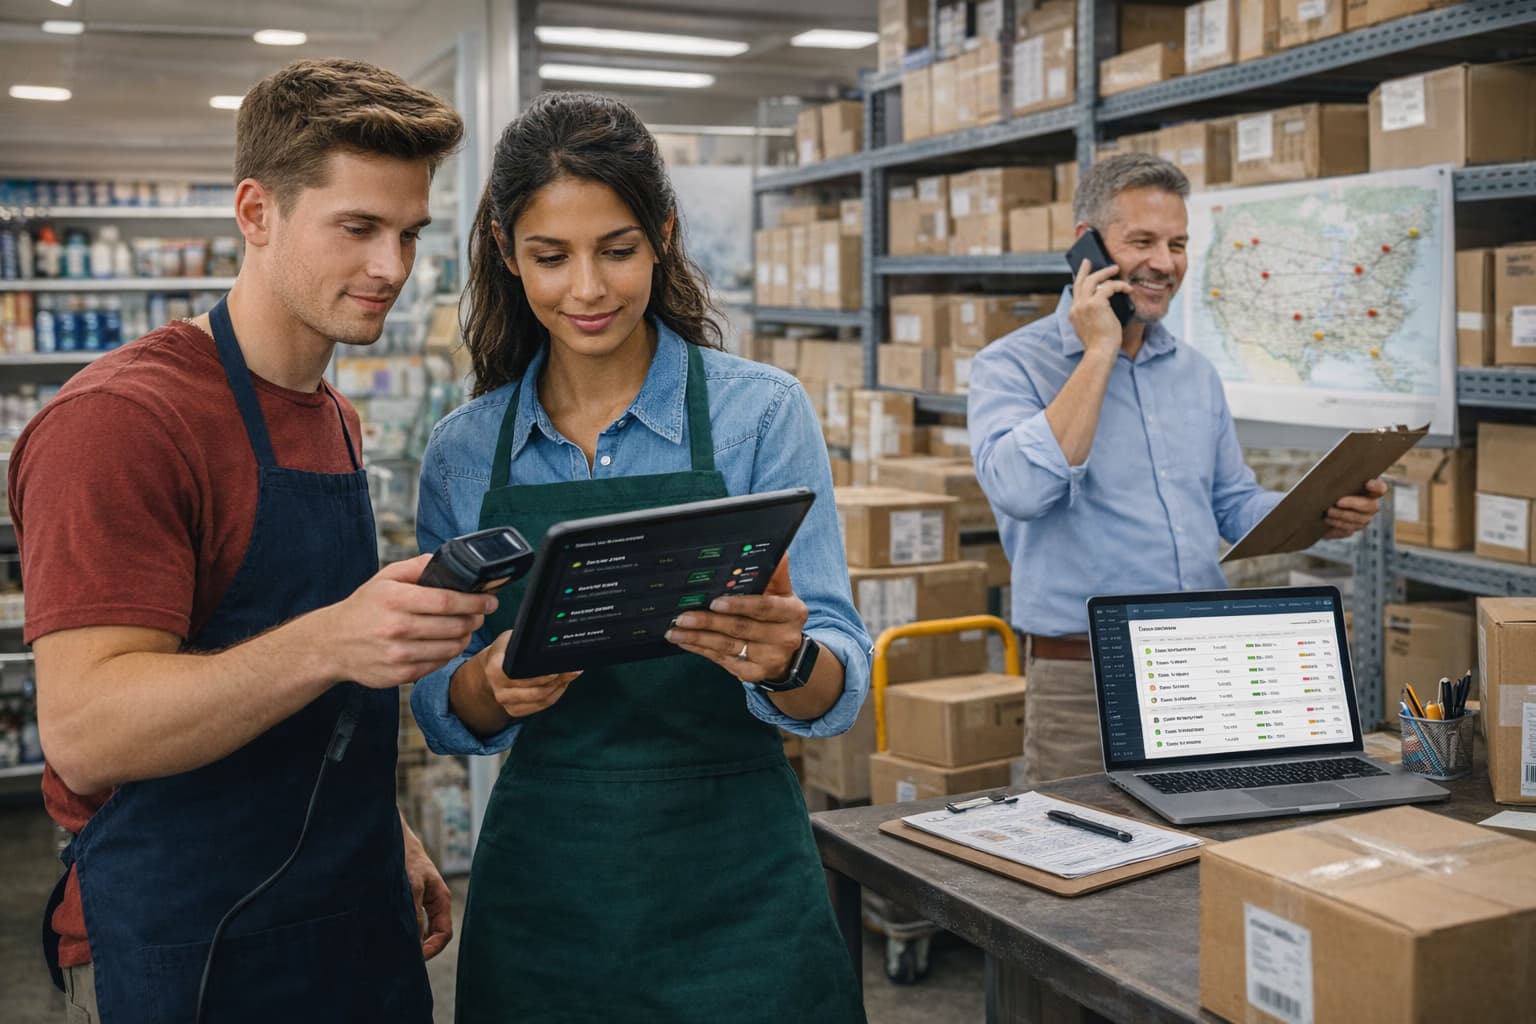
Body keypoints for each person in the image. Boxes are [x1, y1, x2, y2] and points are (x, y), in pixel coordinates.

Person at [9, 59, 481, 1023]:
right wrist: (334, 639)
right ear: (257, 213)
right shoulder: (123, 422)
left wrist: (380, 828)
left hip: (348, 922)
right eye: (357, 228)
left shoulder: (331, 416)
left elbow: (295, 700)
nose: (393, 267)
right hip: (185, 947)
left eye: (409, 233)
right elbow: (88, 732)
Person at [411, 91, 871, 1023]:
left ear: (661, 236)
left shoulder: (761, 416)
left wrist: (787, 659)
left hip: (737, 877)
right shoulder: (464, 452)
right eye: (550, 256)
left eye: (616, 250)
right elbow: (435, 701)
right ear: (506, 253)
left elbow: (839, 681)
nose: (588, 289)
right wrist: (490, 686)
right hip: (548, 884)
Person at [968, 153, 1386, 786]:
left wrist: (1319, 510)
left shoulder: (1194, 372)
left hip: (1205, 665)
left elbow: (1232, 503)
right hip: (1085, 678)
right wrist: (1099, 351)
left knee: (1207, 851)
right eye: (1142, 241)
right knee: (1085, 857)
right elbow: (1022, 491)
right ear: (1088, 245)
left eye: (1178, 243)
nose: (1164, 262)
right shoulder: (1011, 367)